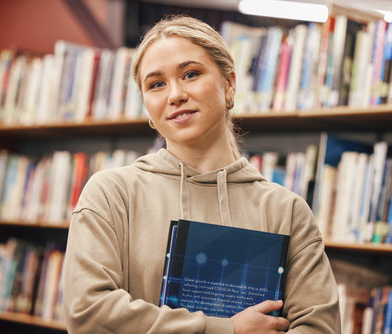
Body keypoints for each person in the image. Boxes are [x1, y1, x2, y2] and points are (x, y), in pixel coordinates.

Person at [63, 15, 341, 334]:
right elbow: (87, 314)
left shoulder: (286, 210)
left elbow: (319, 327)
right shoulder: (112, 193)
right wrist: (226, 330)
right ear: (147, 106)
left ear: (229, 84)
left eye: (191, 74)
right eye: (156, 84)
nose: (175, 94)